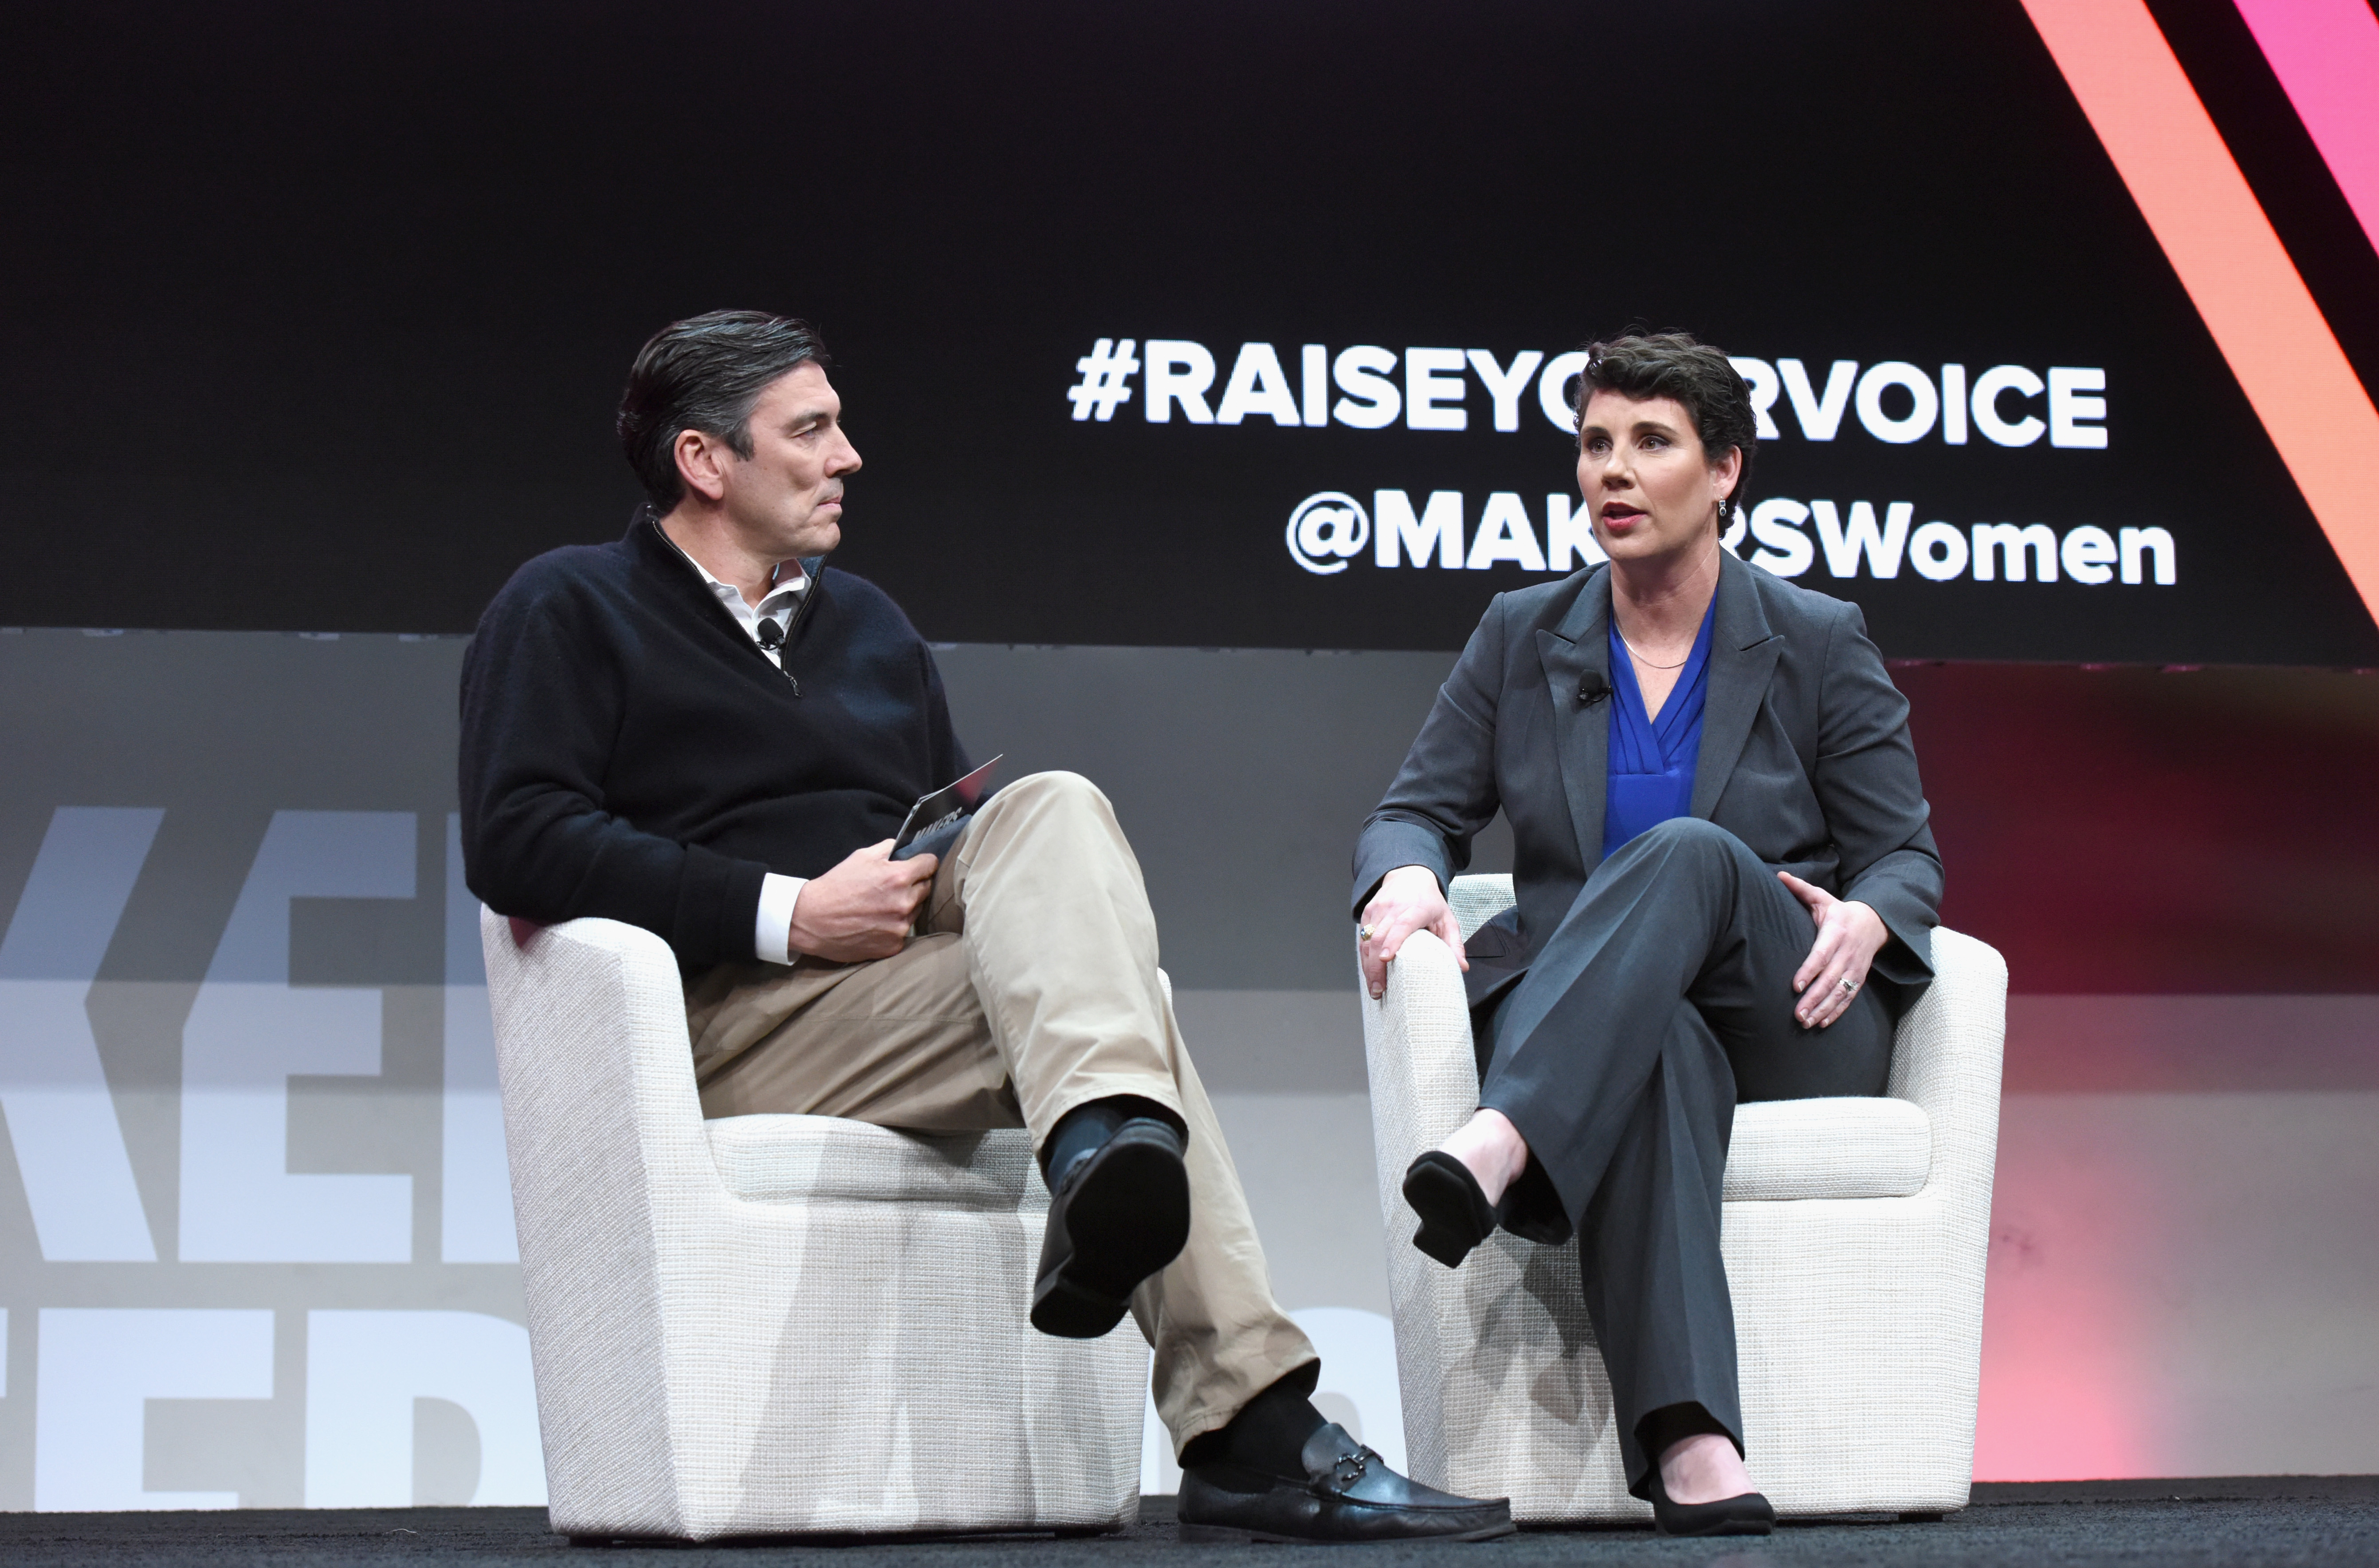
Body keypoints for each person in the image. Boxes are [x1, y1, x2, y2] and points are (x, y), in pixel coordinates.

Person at [460, 310, 1511, 1544]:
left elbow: (977, 850)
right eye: (811, 430)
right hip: (726, 1024)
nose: (848, 455)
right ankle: (1246, 1424)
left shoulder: (868, 626)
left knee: (1050, 809)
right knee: (1121, 1038)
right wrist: (789, 913)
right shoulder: (569, 606)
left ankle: (1103, 1163)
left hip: (893, 1000)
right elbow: (517, 840)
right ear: (705, 461)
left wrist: (920, 873)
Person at [1352, 333, 1942, 1538]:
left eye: (1650, 444)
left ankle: (1506, 1136)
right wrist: (1407, 877)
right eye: (1593, 444)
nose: (1611, 473)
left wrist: (1873, 912)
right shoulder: (1523, 632)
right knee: (1656, 1042)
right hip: (1608, 1009)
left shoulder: (1816, 636)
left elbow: (1905, 852)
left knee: (1682, 852)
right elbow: (1414, 809)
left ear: (1724, 470)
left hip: (1791, 1011)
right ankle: (1687, 1437)